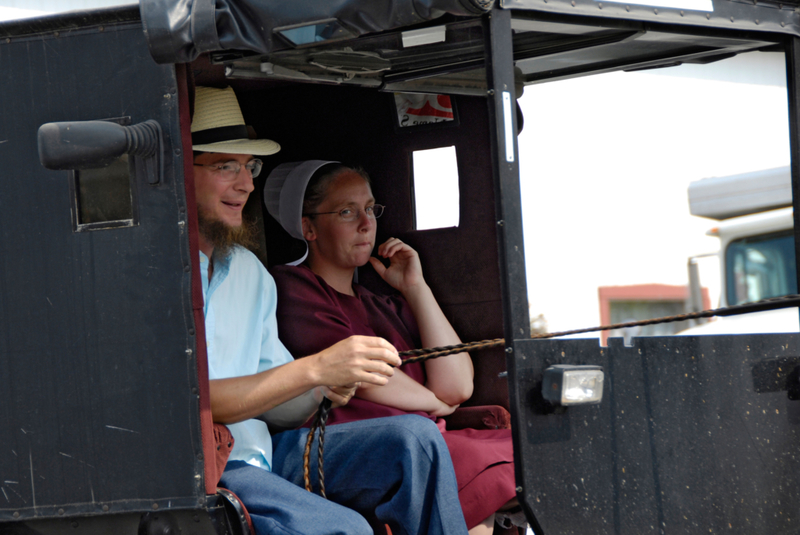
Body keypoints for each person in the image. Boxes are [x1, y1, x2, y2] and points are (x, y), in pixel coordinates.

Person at [191, 86, 469, 535]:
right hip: (212, 466)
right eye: (226, 166)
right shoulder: (152, 274)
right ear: (183, 168)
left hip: (270, 452)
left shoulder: (250, 272)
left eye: (250, 166)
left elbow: (280, 406)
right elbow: (193, 403)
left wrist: (325, 387)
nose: (245, 183)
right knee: (348, 530)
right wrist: (317, 369)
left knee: (415, 439)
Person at [264, 161, 528, 534]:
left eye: (370, 209)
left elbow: (457, 387)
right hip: (359, 447)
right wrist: (434, 404)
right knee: (458, 456)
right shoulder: (293, 287)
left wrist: (416, 289)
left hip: (425, 445)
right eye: (346, 212)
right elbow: (360, 371)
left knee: (524, 447)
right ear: (309, 227)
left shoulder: (379, 303)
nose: (366, 223)